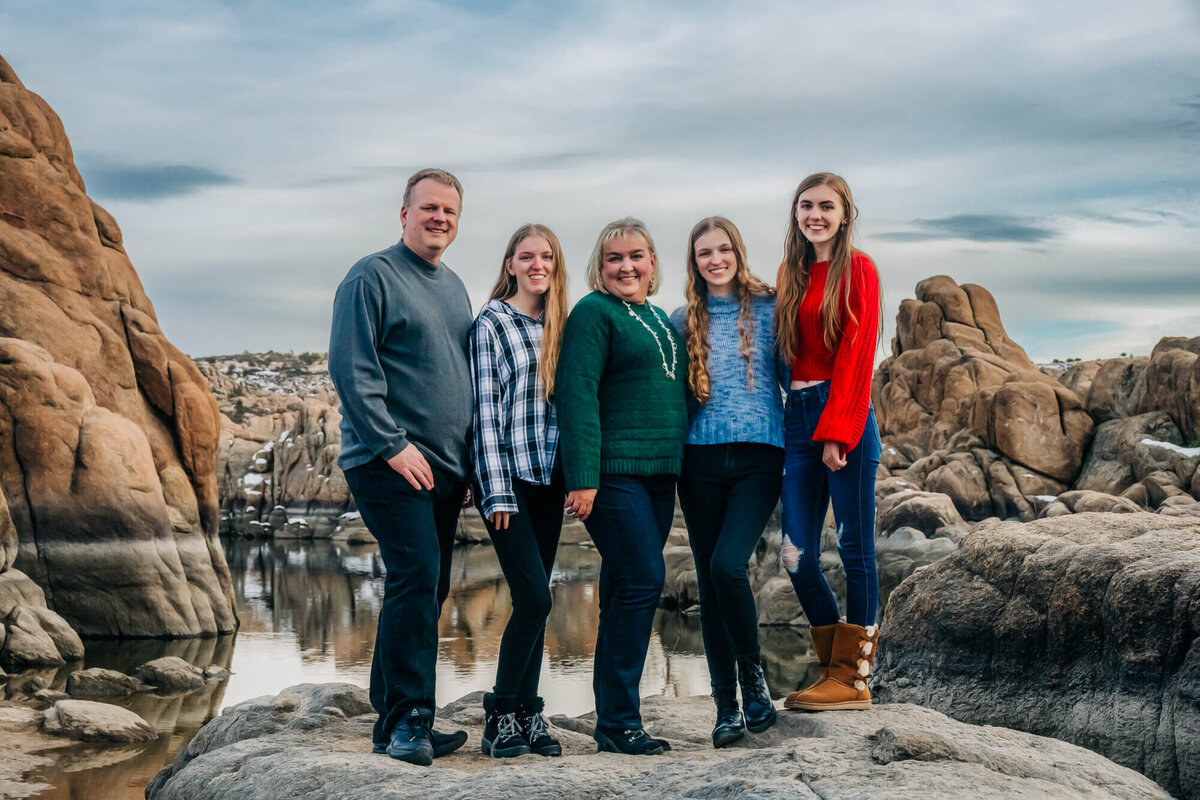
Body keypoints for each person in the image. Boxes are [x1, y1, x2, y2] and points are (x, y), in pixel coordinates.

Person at [328, 168, 473, 765]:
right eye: (429, 208)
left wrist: (463, 467)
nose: (440, 218)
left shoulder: (455, 286)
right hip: (386, 461)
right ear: (405, 212)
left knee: (428, 584)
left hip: (442, 468)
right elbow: (351, 369)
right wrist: (392, 445)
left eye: (450, 212)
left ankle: (390, 711)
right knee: (416, 576)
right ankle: (412, 720)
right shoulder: (372, 276)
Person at [556, 218, 688, 756]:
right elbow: (577, 394)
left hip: (658, 477)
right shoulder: (593, 313)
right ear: (600, 266)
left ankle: (613, 717)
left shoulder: (657, 317)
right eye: (614, 258)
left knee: (620, 589)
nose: (626, 266)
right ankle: (620, 718)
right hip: (613, 474)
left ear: (653, 263)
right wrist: (583, 478)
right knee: (642, 579)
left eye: (637, 256)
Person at [669, 217, 786, 748]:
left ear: (737, 251)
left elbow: (796, 379)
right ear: (693, 262)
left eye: (723, 250)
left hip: (760, 458)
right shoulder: (680, 320)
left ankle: (753, 677)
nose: (714, 260)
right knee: (712, 584)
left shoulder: (771, 308)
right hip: (699, 463)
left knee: (725, 564)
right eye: (703, 253)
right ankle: (725, 707)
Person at [774, 172, 883, 711]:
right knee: (794, 552)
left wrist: (839, 431)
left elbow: (858, 354)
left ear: (845, 215)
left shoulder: (858, 269)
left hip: (844, 416)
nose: (814, 214)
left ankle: (855, 678)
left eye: (826, 206)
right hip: (797, 416)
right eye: (805, 206)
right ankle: (831, 671)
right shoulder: (791, 273)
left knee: (855, 547)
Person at [469, 224, 569, 759]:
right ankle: (500, 713)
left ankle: (529, 713)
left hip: (550, 478)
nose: (537, 264)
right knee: (534, 597)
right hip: (508, 482)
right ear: (509, 263)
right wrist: (496, 491)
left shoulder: (560, 322)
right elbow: (485, 412)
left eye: (546, 256)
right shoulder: (492, 322)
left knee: (538, 602)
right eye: (526, 256)